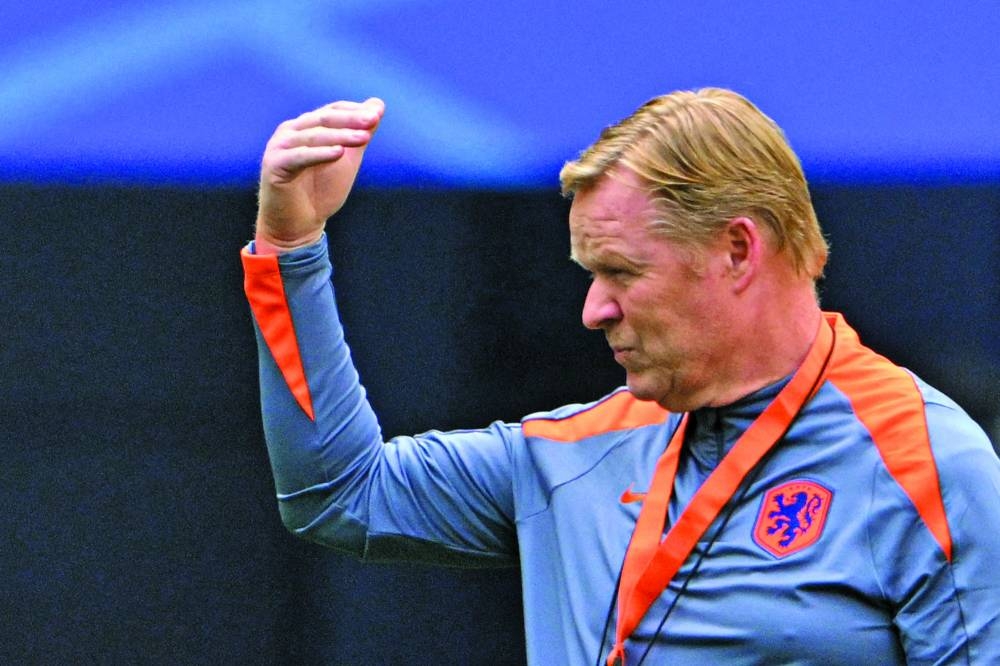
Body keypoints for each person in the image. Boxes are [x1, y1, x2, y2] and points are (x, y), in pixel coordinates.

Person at [241, 90, 1000, 665]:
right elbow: (338, 494)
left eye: (621, 272)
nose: (593, 310)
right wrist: (289, 246)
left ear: (738, 251)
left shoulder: (926, 462)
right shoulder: (575, 455)